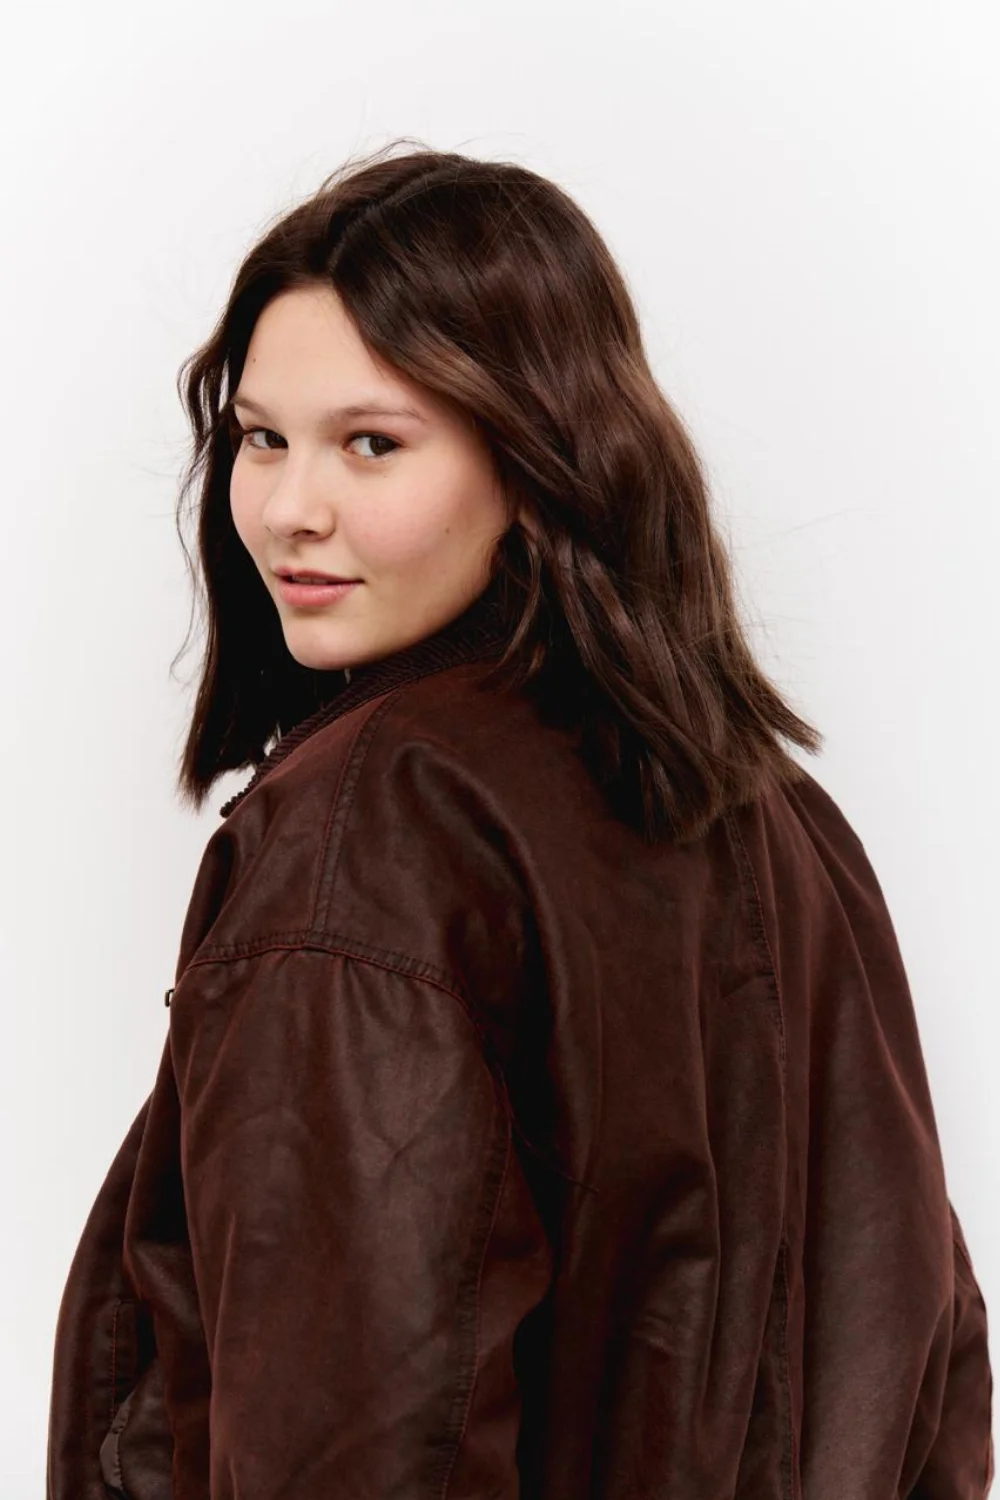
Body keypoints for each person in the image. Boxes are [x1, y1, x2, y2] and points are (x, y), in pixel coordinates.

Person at [45, 139, 993, 1499]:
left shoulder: (378, 827)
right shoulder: (767, 809)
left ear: (534, 453)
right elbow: (926, 1366)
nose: (288, 510)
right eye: (260, 438)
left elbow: (353, 1450)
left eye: (373, 444)